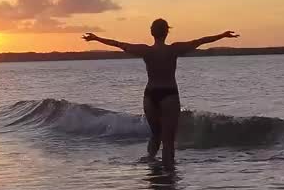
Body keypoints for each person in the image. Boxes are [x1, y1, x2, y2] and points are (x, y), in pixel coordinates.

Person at [83, 19, 238, 166]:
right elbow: (200, 41)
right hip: (169, 94)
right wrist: (222, 35)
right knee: (168, 140)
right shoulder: (174, 49)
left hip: (150, 96)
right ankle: (168, 176)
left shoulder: (146, 51)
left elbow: (119, 44)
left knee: (156, 134)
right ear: (167, 32)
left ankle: (153, 169)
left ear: (152, 32)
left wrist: (96, 38)